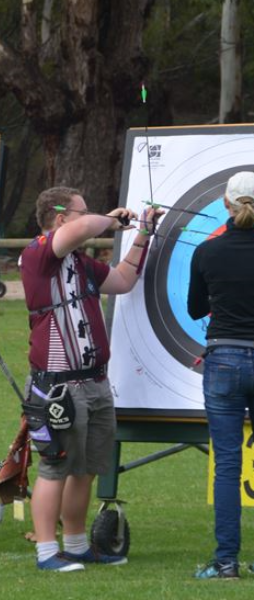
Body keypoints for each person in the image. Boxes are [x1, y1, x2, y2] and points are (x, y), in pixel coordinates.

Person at [20, 186, 159, 572]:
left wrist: (143, 232)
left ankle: (78, 545)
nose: (90, 218)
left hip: (94, 381)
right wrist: (113, 221)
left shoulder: (81, 264)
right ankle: (47, 551)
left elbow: (122, 281)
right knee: (55, 467)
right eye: (83, 212)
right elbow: (82, 231)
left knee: (85, 468)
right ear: (61, 217)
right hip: (58, 385)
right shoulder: (39, 253)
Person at [188, 171, 254, 579]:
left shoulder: (206, 252)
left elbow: (196, 309)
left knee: (228, 464)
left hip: (223, 360)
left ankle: (226, 562)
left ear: (227, 206)